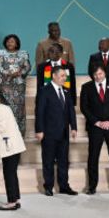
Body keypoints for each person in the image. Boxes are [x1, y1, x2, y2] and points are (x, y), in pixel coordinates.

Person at [80, 65, 109, 195]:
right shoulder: (86, 87)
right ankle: (92, 186)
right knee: (93, 157)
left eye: (100, 74)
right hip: (95, 127)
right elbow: (85, 108)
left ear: (104, 73)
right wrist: (97, 122)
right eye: (95, 75)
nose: (97, 77)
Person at [35, 63, 78, 196]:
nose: (64, 78)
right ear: (53, 76)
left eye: (65, 76)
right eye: (62, 75)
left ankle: (64, 186)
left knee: (63, 161)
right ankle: (48, 186)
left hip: (64, 133)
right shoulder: (44, 91)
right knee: (48, 160)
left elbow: (71, 111)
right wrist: (39, 130)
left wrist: (74, 127)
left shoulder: (66, 91)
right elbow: (40, 112)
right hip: (48, 133)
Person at [0, 33, 31, 136]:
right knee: (5, 108)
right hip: (5, 86)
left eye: (12, 41)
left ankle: (19, 133)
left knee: (19, 109)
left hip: (18, 87)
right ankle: (5, 132)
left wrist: (19, 73)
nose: (10, 43)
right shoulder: (0, 53)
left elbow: (27, 67)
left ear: (17, 43)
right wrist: (9, 73)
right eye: (8, 41)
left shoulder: (23, 54)